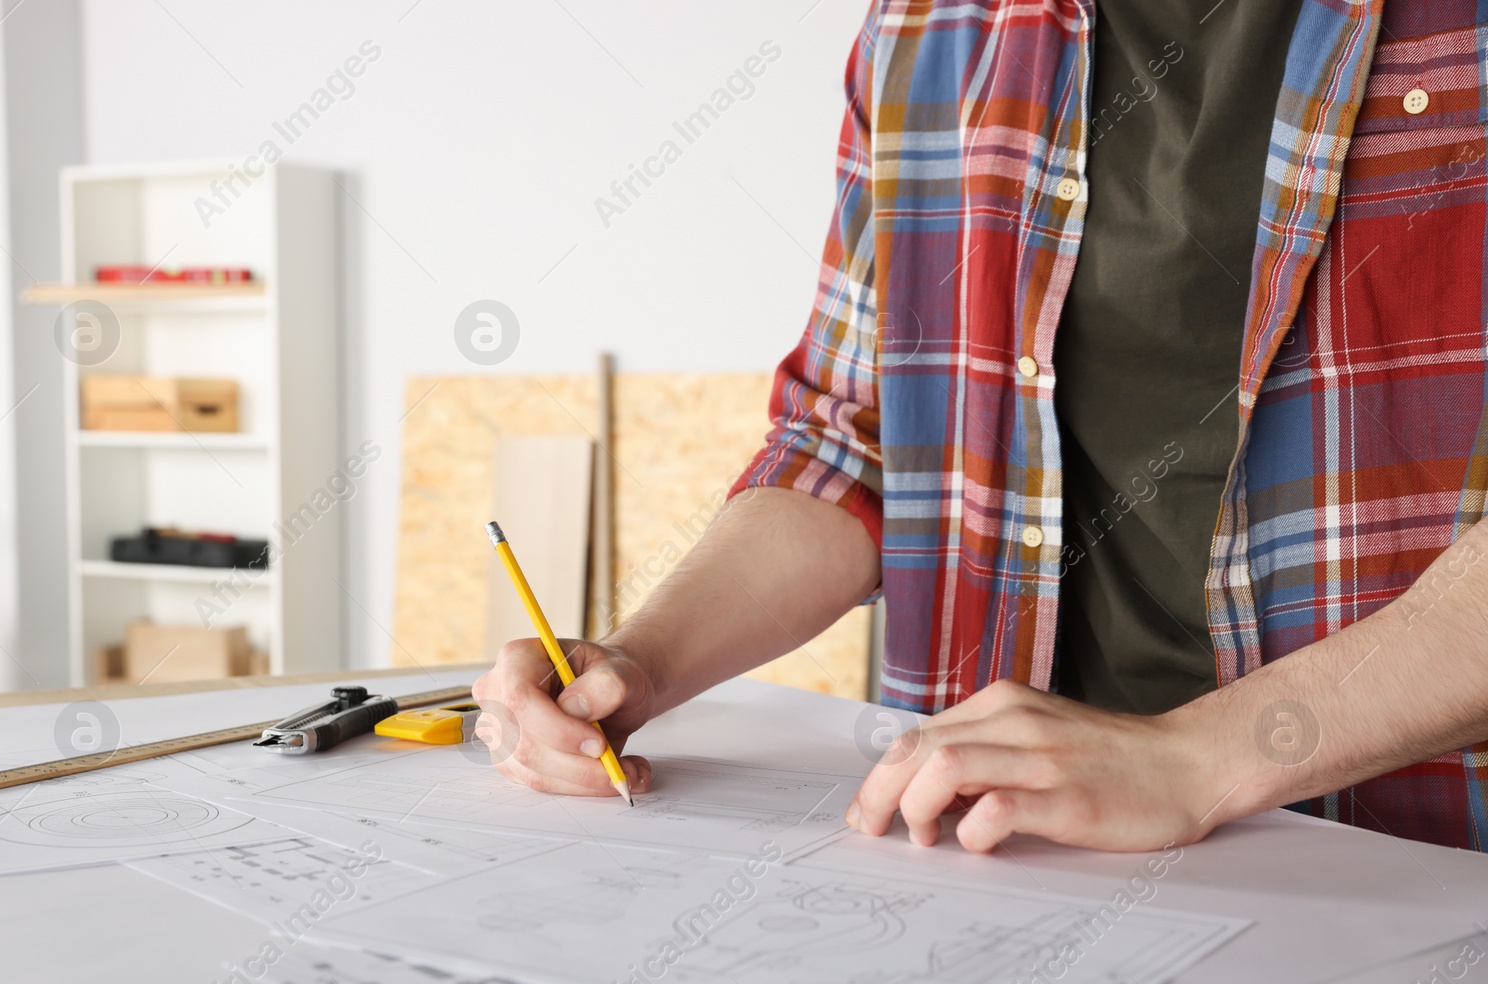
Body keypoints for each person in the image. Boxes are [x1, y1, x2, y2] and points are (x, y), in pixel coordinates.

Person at [475, 0, 1488, 853]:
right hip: (1002, 848)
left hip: (1411, 860)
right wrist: (638, 661)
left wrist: (1196, 759)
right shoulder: (931, 22)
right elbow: (851, 441)